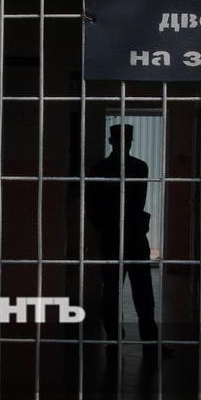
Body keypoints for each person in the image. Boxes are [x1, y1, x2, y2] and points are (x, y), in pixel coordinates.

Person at [86, 124, 170, 359]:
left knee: (116, 292)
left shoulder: (101, 169)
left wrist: (106, 229)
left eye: (126, 140)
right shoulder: (138, 167)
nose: (125, 143)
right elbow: (133, 203)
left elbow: (93, 207)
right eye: (123, 140)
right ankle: (147, 344)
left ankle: (116, 340)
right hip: (132, 237)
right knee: (139, 294)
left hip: (117, 238)